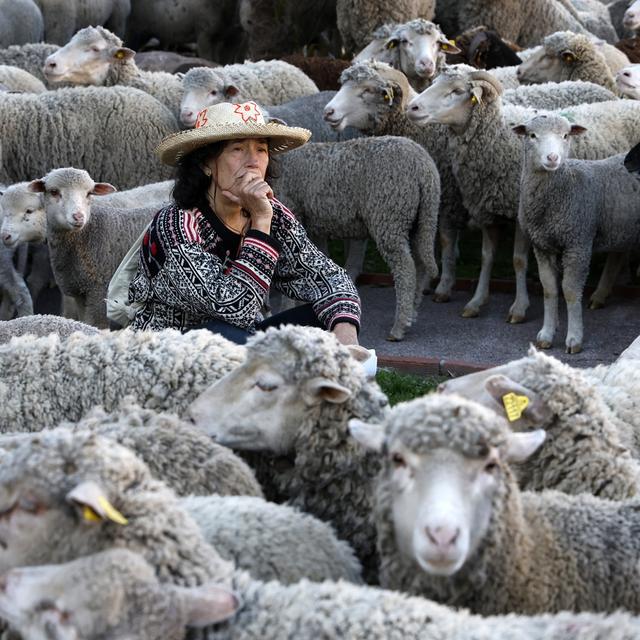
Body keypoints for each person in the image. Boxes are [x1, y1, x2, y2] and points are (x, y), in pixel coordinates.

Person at [128, 101, 361, 345]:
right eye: (238, 149)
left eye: (261, 150)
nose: (253, 162)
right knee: (225, 333)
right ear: (206, 163)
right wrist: (260, 222)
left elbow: (330, 278)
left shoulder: (275, 214)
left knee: (333, 317)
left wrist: (346, 341)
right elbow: (234, 309)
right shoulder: (176, 224)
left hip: (240, 338)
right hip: (173, 350)